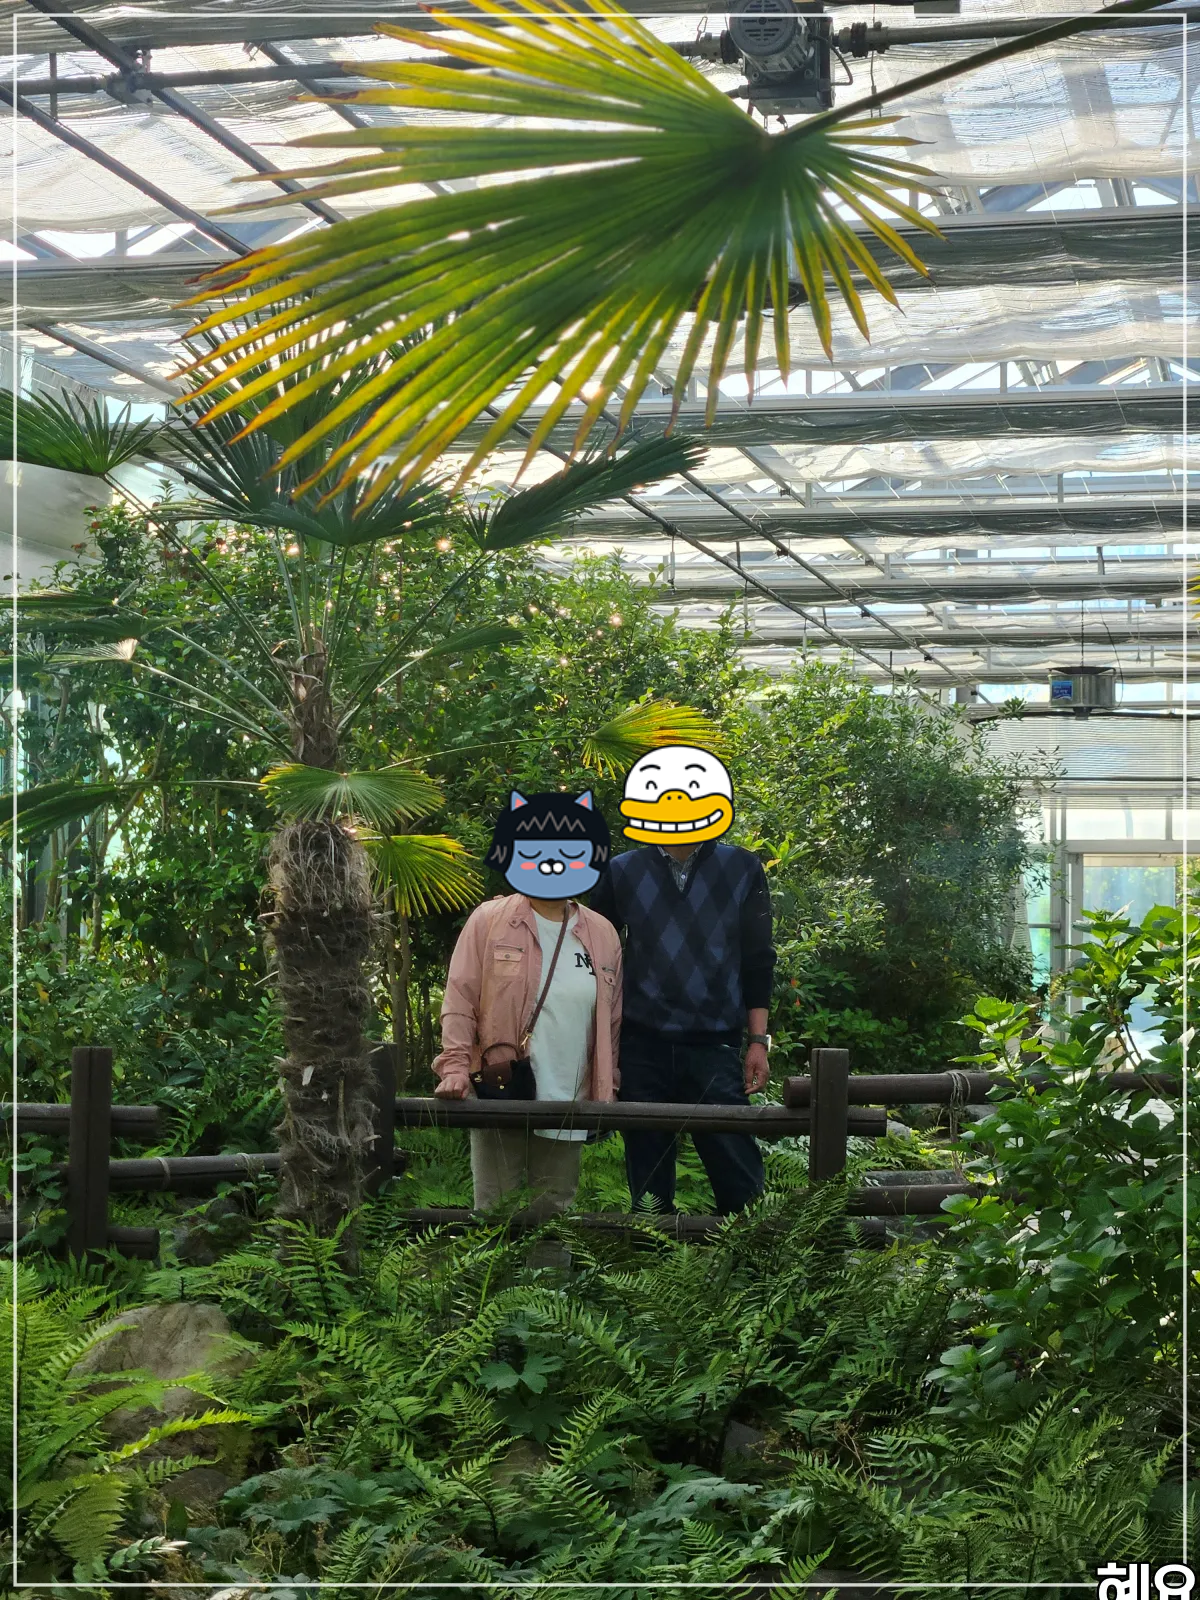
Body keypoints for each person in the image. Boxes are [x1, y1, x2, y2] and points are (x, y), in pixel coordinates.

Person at [589, 745, 774, 1216]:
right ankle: (654, 1261)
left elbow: (758, 960)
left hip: (714, 1043)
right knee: (649, 1184)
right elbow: (598, 955)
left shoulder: (742, 868)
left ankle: (751, 1255)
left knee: (738, 1173)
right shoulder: (621, 871)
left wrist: (757, 1041)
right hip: (642, 1043)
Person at [432, 789, 622, 1219]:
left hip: (570, 1096)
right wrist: (455, 1068)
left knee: (553, 1212)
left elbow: (611, 1019)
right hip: (502, 1085)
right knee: (494, 1210)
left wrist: (607, 1087)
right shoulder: (490, 920)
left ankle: (549, 1269)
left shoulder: (603, 934)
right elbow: (460, 998)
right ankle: (492, 1268)